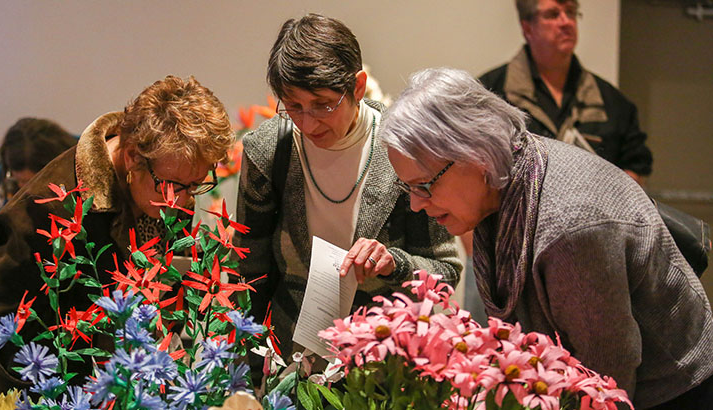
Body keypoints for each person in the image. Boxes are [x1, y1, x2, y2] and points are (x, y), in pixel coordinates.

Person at [380, 66, 713, 409]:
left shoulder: (569, 231)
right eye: (406, 187)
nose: (417, 204)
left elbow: (607, 382)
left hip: (670, 393)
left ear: (475, 155)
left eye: (423, 185)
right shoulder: (509, 171)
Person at [0, 75, 233, 400]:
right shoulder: (46, 210)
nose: (181, 202)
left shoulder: (168, 182)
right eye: (174, 187)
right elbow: (14, 344)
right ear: (132, 158)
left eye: (195, 185)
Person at [234, 14, 461, 362]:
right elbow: (250, 272)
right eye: (293, 106)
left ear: (357, 86)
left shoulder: (403, 150)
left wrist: (393, 264)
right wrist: (247, 369)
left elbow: (445, 274)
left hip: (385, 356)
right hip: (294, 356)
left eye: (323, 105)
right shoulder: (268, 151)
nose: (308, 123)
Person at [479, 0, 652, 185]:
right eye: (553, 14)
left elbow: (635, 166)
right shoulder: (489, 95)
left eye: (570, 12)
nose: (566, 22)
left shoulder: (613, 102)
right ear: (527, 28)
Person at [0, 118, 77, 289]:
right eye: (20, 182)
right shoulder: (2, 179)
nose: (27, 191)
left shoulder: (82, 162)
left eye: (34, 182)